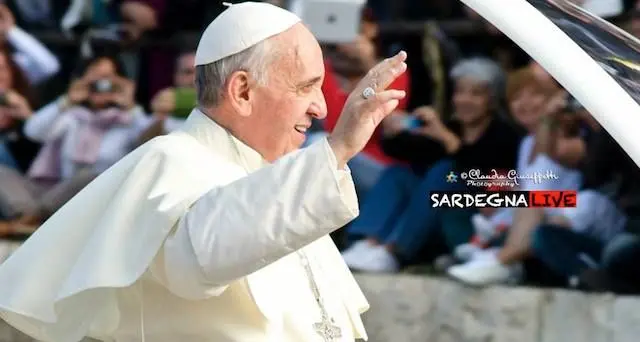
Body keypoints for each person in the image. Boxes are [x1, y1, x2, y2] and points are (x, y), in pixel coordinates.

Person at [0, 2, 407, 341]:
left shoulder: (284, 175)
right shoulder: (168, 160)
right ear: (243, 91)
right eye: (305, 87)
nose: (321, 108)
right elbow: (200, 254)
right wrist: (336, 150)